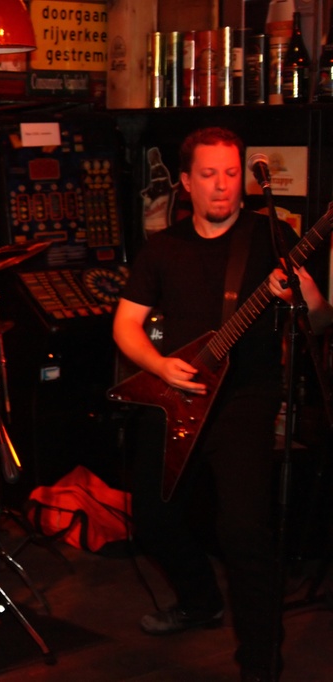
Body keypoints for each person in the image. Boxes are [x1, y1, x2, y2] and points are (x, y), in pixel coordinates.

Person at [113, 127, 332, 682]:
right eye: (209, 175)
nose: (222, 186)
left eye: (231, 174)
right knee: (153, 519)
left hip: (243, 400)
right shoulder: (164, 248)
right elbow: (126, 326)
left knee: (243, 531)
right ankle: (199, 599)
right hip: (175, 396)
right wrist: (161, 367)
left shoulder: (272, 238)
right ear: (185, 183)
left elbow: (322, 320)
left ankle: (260, 663)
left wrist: (302, 290)